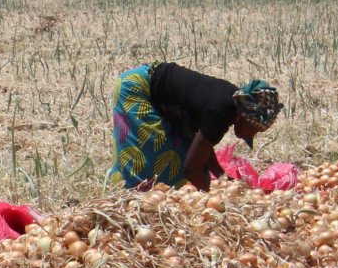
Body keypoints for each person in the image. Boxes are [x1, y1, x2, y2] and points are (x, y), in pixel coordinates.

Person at [110, 62, 282, 190]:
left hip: (157, 95)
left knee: (182, 150)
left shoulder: (232, 102)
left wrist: (222, 178)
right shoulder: (220, 113)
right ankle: (130, 200)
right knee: (152, 156)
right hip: (137, 88)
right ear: (244, 117)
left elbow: (202, 147)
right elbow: (191, 168)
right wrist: (213, 197)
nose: (250, 134)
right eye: (253, 129)